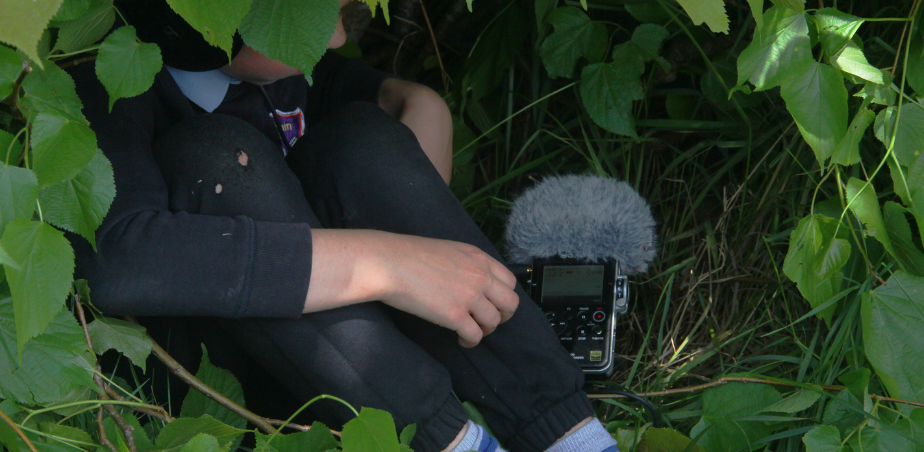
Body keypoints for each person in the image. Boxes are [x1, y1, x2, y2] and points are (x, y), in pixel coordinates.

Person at [70, 1, 620, 451]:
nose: (336, 37)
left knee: (361, 142)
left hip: (347, 371)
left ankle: (568, 433)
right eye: (314, 12)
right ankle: (452, 443)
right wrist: (385, 263)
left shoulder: (276, 71)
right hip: (228, 384)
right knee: (217, 162)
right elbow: (119, 260)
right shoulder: (111, 85)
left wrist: (420, 107)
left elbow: (381, 104)